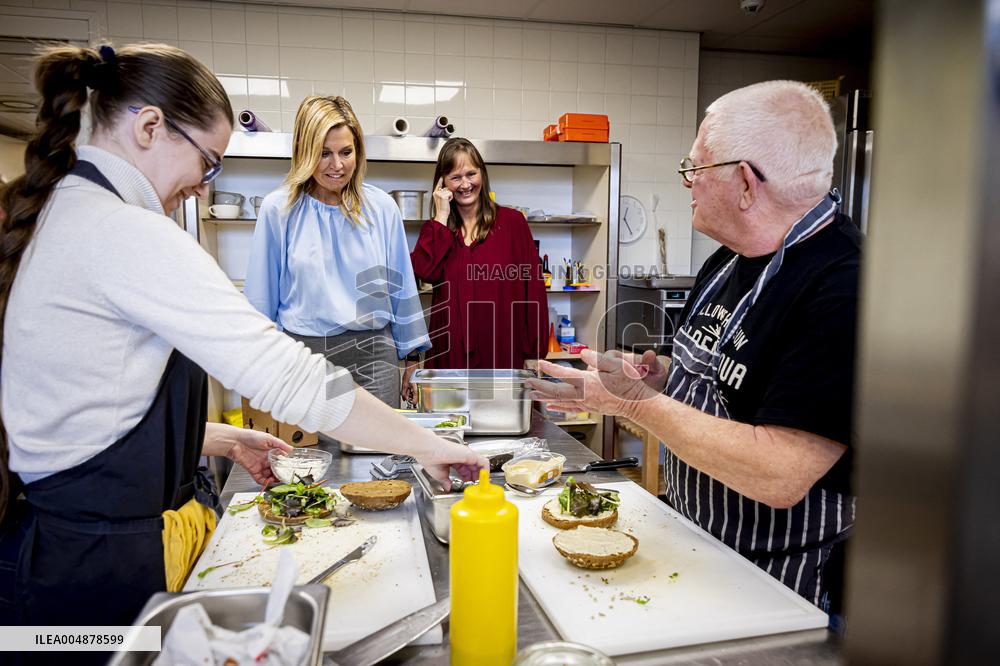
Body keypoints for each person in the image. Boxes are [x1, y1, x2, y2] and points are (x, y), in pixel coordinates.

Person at [0, 43, 484, 645]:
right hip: (83, 566)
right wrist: (428, 446)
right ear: (150, 127)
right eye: (208, 164)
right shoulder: (123, 232)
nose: (204, 189)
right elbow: (289, 374)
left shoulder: (71, 211)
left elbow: (85, 407)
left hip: (55, 547)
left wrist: (219, 437)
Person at [528, 80, 860, 617]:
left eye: (697, 167)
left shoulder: (844, 286)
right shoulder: (726, 262)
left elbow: (780, 474)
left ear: (746, 183)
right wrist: (659, 380)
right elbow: (723, 386)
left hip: (784, 582)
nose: (688, 182)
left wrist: (628, 403)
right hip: (697, 541)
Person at [245, 96, 428, 412]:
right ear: (305, 153)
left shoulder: (382, 208)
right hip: (305, 359)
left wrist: (412, 359)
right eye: (324, 154)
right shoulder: (279, 210)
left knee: (377, 455)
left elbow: (403, 291)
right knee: (310, 460)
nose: (338, 165)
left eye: (346, 152)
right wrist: (262, 368)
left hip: (374, 359)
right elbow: (262, 300)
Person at [407, 137, 548, 399]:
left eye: (471, 173)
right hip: (450, 355)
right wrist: (440, 216)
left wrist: (534, 353)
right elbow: (424, 273)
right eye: (455, 177)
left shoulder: (512, 223)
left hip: (502, 350)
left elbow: (534, 291)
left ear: (482, 173)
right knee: (449, 430)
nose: (465, 184)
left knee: (504, 429)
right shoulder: (436, 230)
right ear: (442, 184)